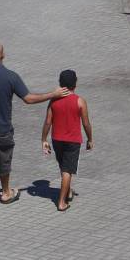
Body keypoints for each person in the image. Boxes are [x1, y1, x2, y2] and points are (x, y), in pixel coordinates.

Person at [0, 42, 69, 214]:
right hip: (3, 128)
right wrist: (53, 94)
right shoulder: (11, 76)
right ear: (3, 56)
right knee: (4, 161)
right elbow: (29, 99)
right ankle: (6, 193)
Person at [41, 70, 94, 212]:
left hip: (57, 139)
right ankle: (62, 202)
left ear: (60, 83)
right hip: (73, 141)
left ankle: (68, 191)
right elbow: (86, 123)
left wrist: (44, 139)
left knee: (63, 166)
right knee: (67, 170)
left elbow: (47, 122)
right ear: (75, 83)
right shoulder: (79, 101)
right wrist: (90, 138)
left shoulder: (54, 100)